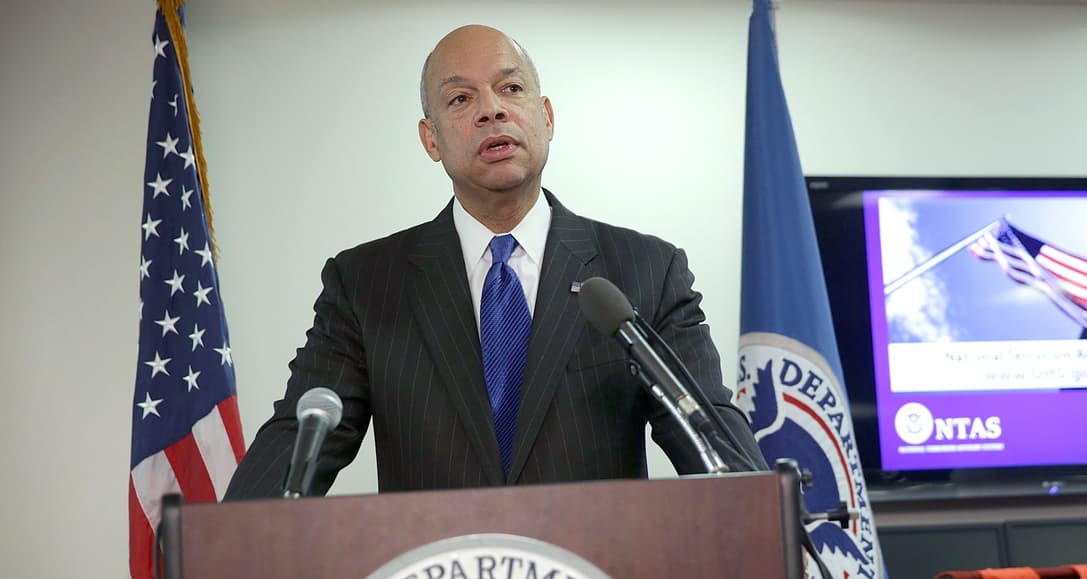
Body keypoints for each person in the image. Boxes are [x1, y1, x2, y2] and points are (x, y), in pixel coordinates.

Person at [224, 25, 764, 499]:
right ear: (431, 139)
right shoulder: (366, 284)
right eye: (461, 99)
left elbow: (708, 430)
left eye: (510, 88)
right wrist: (224, 547)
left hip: (594, 575)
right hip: (437, 578)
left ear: (546, 117)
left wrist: (765, 512)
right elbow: (299, 439)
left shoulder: (643, 270)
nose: (491, 109)